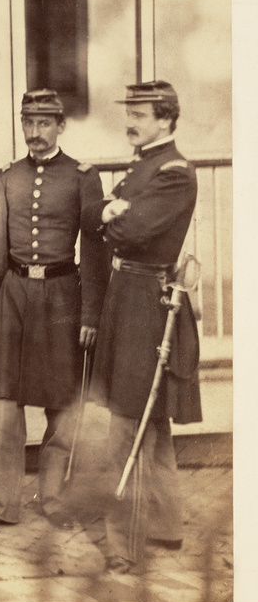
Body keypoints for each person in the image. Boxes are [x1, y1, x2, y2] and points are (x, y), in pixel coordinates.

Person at [0, 89, 107, 535]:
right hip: (13, 295)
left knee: (63, 404)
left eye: (44, 123)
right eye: (28, 122)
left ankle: (52, 498)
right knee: (4, 405)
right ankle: (1, 504)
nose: (35, 132)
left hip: (64, 297)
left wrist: (90, 314)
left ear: (61, 126)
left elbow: (95, 251)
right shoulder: (7, 176)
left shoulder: (83, 177)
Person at [85, 80, 201, 574]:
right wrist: (111, 211)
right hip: (125, 297)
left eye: (140, 113)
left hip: (147, 305)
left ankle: (122, 543)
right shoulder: (141, 168)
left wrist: (114, 214)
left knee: (128, 425)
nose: (129, 120)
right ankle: (167, 525)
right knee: (148, 421)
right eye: (128, 111)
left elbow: (131, 231)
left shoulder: (175, 173)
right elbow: (94, 214)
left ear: (166, 120)